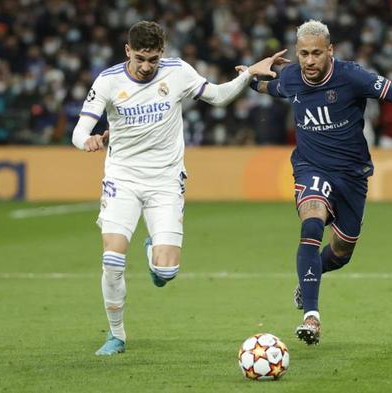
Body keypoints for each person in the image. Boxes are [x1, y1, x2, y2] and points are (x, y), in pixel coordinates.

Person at [71, 21, 289, 356]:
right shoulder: (108, 80)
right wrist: (86, 140)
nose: (146, 66)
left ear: (162, 53)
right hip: (123, 178)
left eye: (153, 59)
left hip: (166, 181)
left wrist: (248, 75)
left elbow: (218, 97)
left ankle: (154, 253)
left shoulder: (177, 73)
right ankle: (117, 336)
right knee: (112, 259)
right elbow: (79, 130)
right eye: (141, 58)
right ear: (128, 51)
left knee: (166, 271)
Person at [248, 20, 392, 345]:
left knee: (341, 253)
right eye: (303, 54)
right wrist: (249, 76)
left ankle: (311, 276)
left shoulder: (353, 76)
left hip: (352, 176)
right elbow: (269, 87)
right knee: (311, 223)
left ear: (330, 51)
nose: (309, 61)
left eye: (316, 53)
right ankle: (311, 316)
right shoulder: (291, 76)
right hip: (311, 168)